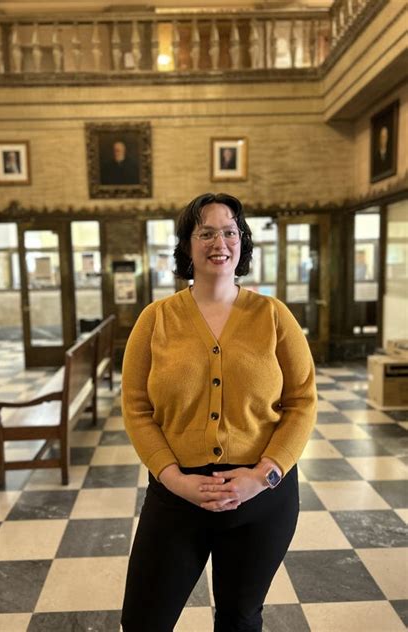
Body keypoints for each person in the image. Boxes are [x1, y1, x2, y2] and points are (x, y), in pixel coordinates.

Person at [121, 192, 317, 632]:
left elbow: (302, 400)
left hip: (262, 498)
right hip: (177, 495)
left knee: (239, 619)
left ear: (242, 243)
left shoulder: (273, 316)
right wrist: (174, 479)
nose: (219, 242)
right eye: (205, 232)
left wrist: (263, 475)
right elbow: (136, 407)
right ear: (187, 246)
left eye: (230, 232)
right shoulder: (155, 319)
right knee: (142, 621)